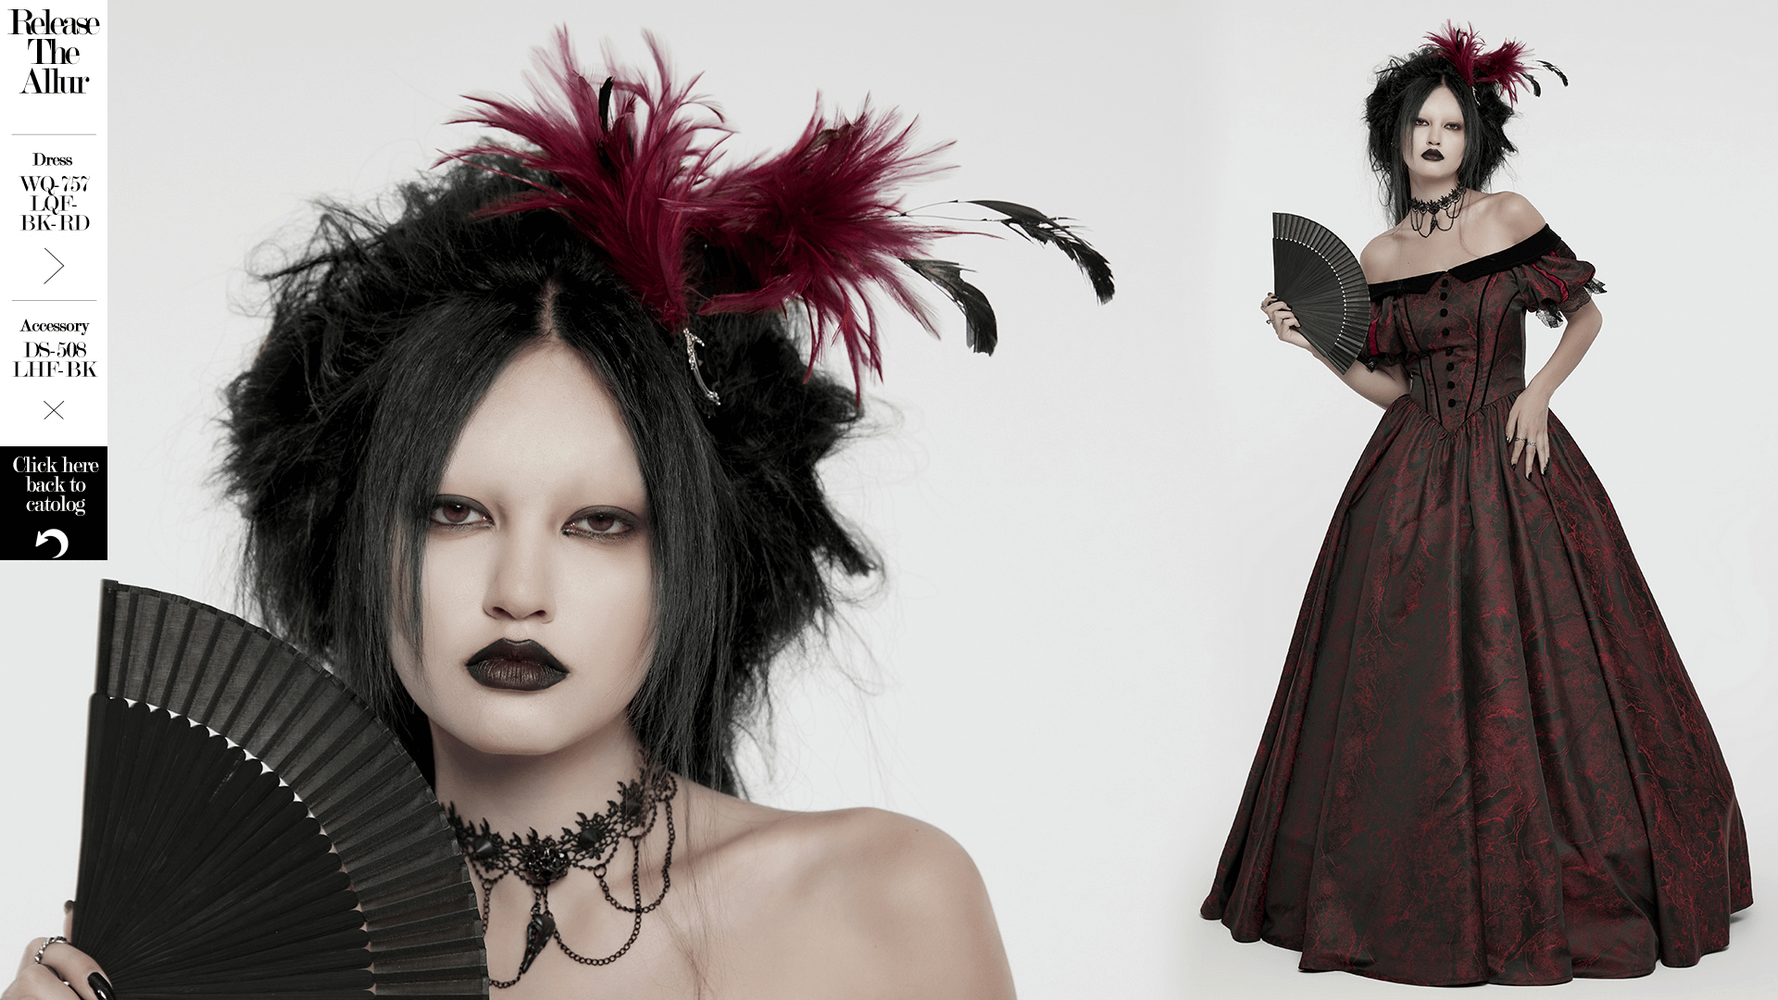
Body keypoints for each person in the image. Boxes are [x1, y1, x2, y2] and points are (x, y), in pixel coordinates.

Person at [7, 33, 1110, 1000]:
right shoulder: (230, 950)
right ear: (356, 538)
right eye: (453, 513)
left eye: (599, 524)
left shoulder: (878, 902)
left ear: (692, 558)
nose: (519, 590)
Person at [1200, 25, 1749, 987]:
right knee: (1395, 674)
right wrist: (1317, 348)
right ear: (1395, 136)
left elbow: (1585, 312)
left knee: (1565, 664)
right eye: (1422, 124)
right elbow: (1394, 392)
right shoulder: (1374, 255)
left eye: (1452, 125)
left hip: (1514, 452)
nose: (1435, 138)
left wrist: (1537, 396)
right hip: (1410, 472)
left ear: (1473, 139)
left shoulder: (1507, 218)